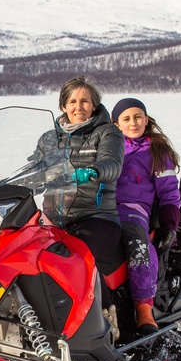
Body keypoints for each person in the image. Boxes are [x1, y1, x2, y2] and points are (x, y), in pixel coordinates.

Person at [34, 76, 125, 333]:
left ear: (94, 105)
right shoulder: (49, 139)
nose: (78, 106)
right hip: (55, 216)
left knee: (78, 254)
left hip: (97, 217)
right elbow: (33, 167)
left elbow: (112, 163)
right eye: (72, 101)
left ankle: (106, 317)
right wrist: (2, 182)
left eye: (85, 101)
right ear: (63, 105)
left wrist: (93, 171)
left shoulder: (108, 132)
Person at [111, 97, 181, 334]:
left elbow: (170, 192)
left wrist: (170, 224)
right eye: (127, 118)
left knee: (139, 245)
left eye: (138, 117)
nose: (133, 123)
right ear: (116, 123)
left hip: (134, 211)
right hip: (101, 207)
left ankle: (143, 307)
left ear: (147, 119)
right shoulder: (108, 148)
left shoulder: (157, 152)